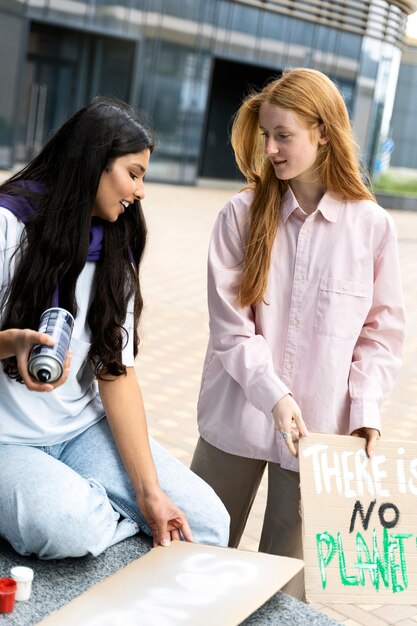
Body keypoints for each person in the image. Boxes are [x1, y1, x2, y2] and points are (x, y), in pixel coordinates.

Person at [190, 68, 405, 600]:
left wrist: (365, 413)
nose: (271, 148)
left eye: (283, 135)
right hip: (234, 417)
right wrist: (275, 397)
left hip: (318, 435)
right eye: (266, 135)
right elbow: (231, 331)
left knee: (287, 591)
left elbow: (380, 336)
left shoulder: (372, 227)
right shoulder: (238, 216)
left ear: (323, 133)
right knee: (193, 562)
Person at [0, 96, 229, 560]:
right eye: (134, 173)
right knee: (68, 527)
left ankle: (68, 508)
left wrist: (149, 494)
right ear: (94, 165)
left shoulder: (115, 246)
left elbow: (115, 370)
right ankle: (56, 512)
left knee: (205, 521)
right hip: (7, 440)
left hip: (80, 432)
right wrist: (11, 342)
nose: (141, 191)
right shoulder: (8, 224)